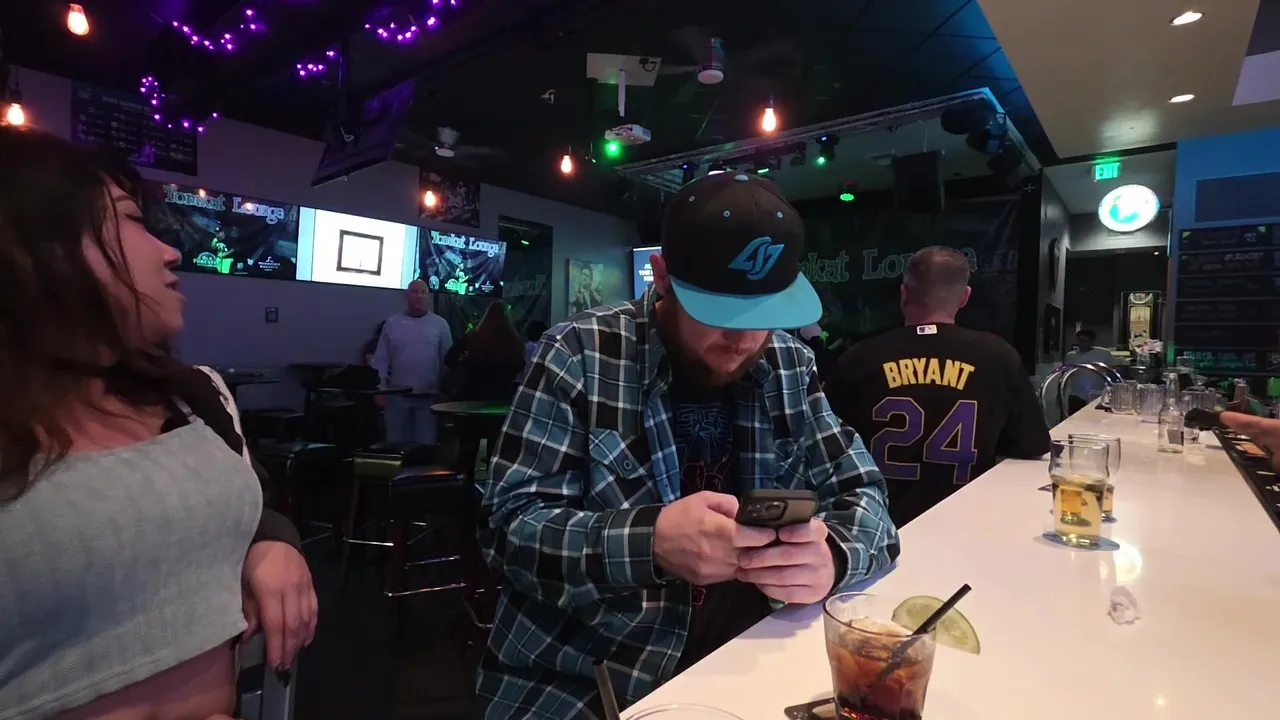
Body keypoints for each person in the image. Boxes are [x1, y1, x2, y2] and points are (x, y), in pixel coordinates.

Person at [476, 172, 899, 719]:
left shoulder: (789, 364)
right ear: (662, 275)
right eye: (720, 313)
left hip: (752, 658)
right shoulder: (579, 353)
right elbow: (506, 534)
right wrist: (649, 542)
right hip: (590, 677)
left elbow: (865, 492)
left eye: (766, 313)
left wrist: (833, 556)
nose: (744, 340)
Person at [0, 127, 316, 719]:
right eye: (130, 219)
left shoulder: (196, 396)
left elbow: (244, 499)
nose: (170, 251)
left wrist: (271, 541)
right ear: (33, 249)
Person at [825, 246, 1051, 528]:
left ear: (904, 293)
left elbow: (824, 450)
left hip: (873, 524)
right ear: (965, 296)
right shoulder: (999, 356)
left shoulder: (859, 358)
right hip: (966, 520)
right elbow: (1031, 446)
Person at [371, 278, 453, 444]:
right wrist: (380, 389)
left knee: (425, 446)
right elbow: (382, 360)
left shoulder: (440, 324)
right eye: (415, 292)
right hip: (396, 397)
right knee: (395, 444)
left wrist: (446, 392)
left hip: (429, 397)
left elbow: (448, 362)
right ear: (406, 295)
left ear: (428, 296)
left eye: (423, 292)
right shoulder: (392, 323)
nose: (419, 296)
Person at [442, 301, 527, 402]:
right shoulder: (513, 341)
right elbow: (520, 365)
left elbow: (449, 359)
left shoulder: (473, 337)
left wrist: (465, 362)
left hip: (471, 393)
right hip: (501, 396)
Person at [1064, 329, 1115, 414]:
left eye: (1085, 341)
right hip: (1076, 395)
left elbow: (1111, 371)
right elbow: (1066, 375)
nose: (1082, 343)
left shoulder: (1104, 353)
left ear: (1092, 341)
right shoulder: (1071, 356)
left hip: (1097, 394)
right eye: (1080, 340)